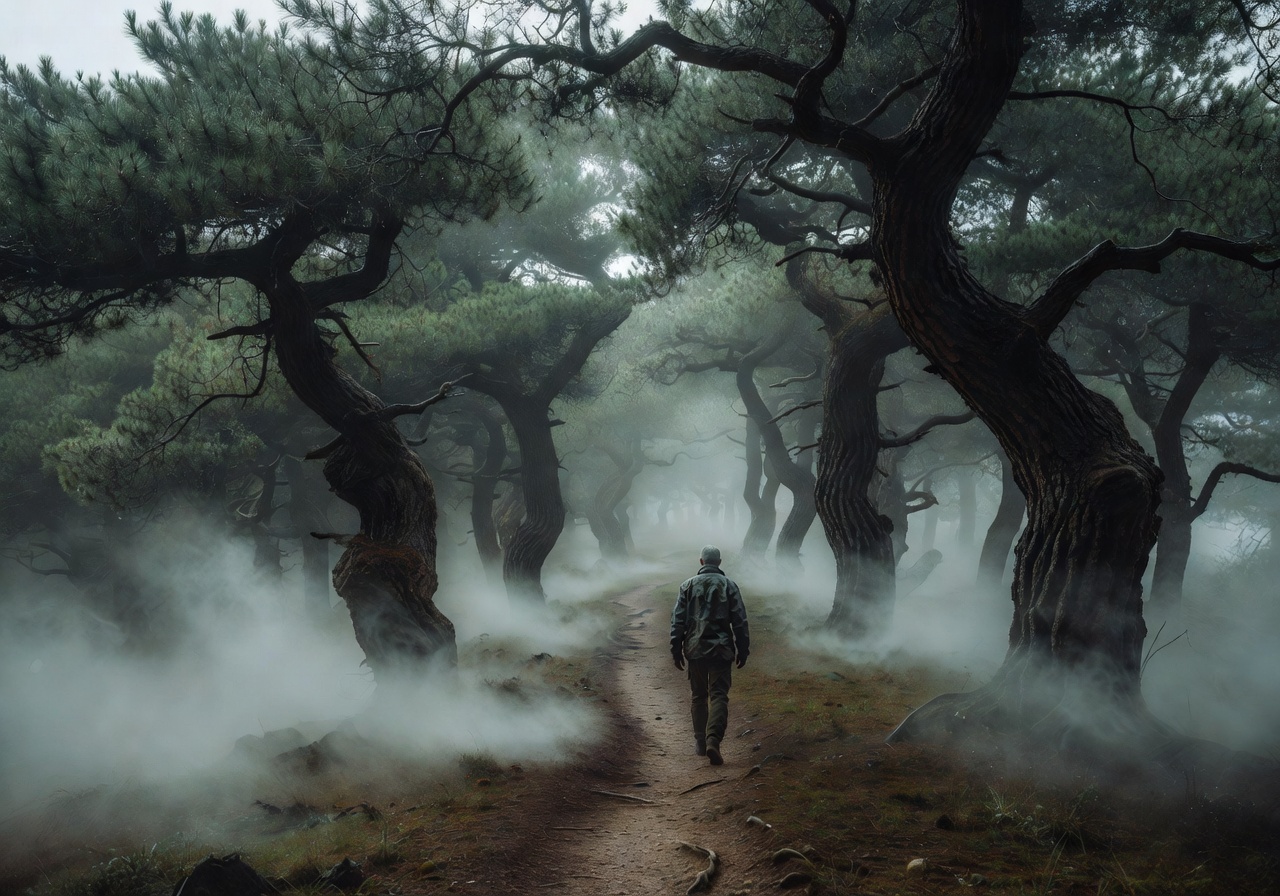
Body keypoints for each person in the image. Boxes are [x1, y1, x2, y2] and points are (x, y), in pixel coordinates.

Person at [670, 545, 749, 766]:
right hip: (722, 650)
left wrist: (675, 649)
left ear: (702, 562)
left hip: (695, 649)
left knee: (698, 696)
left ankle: (700, 741)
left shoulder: (687, 586)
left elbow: (678, 621)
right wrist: (743, 649)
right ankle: (714, 739)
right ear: (719, 562)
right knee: (719, 696)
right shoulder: (730, 586)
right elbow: (740, 621)